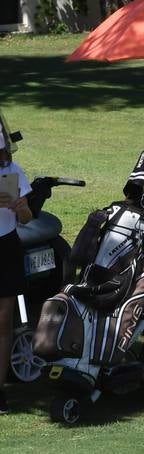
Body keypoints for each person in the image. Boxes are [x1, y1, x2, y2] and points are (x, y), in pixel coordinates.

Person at [0, 122, 34, 415]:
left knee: (3, 319)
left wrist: (20, 206)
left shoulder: (13, 172)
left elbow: (26, 218)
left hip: (5, 246)